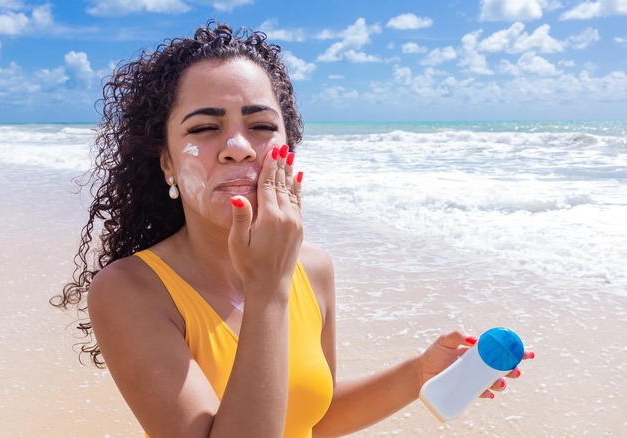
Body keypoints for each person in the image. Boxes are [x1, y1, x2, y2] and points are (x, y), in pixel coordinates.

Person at [50, 20, 533, 437]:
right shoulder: (130, 291)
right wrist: (268, 288)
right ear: (168, 164)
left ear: (288, 146)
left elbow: (315, 418)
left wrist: (418, 373)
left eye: (261, 125)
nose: (238, 146)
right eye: (203, 128)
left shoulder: (314, 267)